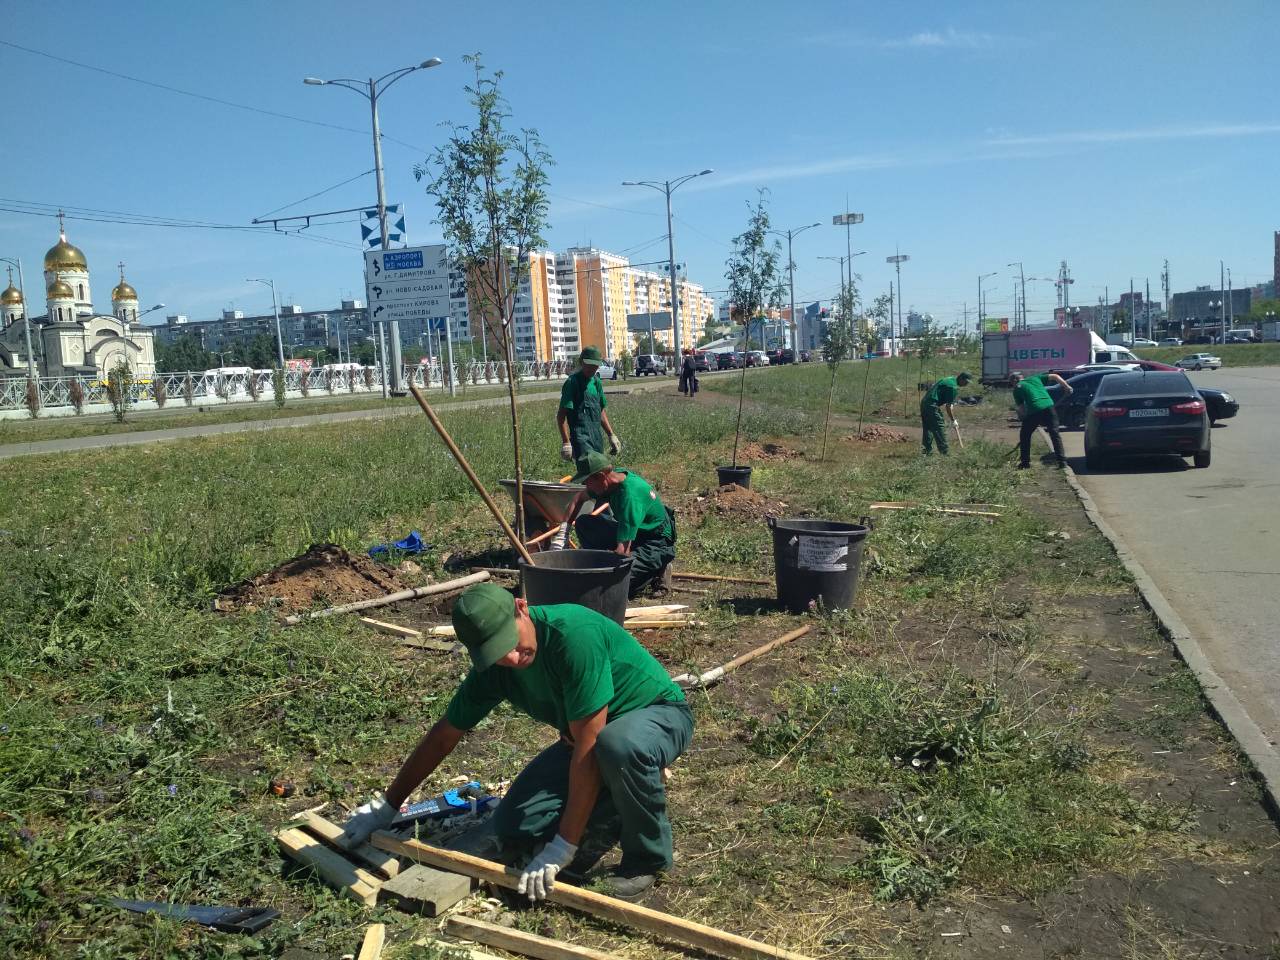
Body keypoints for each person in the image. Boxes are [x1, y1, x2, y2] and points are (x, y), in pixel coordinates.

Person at [338, 583, 693, 902]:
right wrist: (388, 805)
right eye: (495, 652)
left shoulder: (573, 636)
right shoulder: (494, 670)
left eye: (510, 642)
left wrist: (564, 846)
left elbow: (590, 745)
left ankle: (646, 859)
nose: (510, 658)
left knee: (617, 746)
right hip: (585, 740)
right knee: (514, 823)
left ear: (521, 608)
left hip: (655, 717)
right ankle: (621, 793)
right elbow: (444, 735)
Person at [566, 451, 676, 597]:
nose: (586, 485)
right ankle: (602, 564)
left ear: (600, 477)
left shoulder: (630, 497)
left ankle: (656, 570)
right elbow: (579, 498)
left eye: (587, 481)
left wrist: (599, 569)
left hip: (656, 542)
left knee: (614, 585)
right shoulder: (611, 481)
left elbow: (622, 551)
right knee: (584, 524)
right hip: (634, 532)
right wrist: (563, 532)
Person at [557, 347, 621, 462]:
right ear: (582, 362)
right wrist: (566, 442)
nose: (593, 369)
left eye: (596, 366)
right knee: (589, 473)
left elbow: (600, 411)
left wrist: (611, 435)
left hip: (596, 438)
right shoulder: (572, 382)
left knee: (601, 470)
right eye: (590, 365)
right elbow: (561, 415)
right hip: (580, 439)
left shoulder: (596, 382)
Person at [1011, 370, 1071, 469]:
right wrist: (1066, 386)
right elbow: (1055, 376)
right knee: (1054, 433)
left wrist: (1024, 418)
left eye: (1011, 383)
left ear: (1014, 381)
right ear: (1022, 377)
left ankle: (1025, 463)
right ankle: (1062, 462)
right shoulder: (1035, 378)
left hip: (1034, 410)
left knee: (1025, 435)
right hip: (1049, 407)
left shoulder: (1017, 388)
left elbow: (1021, 409)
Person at [919, 371, 973, 455]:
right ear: (961, 379)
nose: (966, 384)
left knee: (928, 428)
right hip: (932, 405)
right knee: (939, 427)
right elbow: (948, 406)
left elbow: (948, 403)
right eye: (966, 382)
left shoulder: (950, 379)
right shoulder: (953, 387)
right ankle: (944, 452)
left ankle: (926, 451)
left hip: (924, 403)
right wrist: (953, 420)